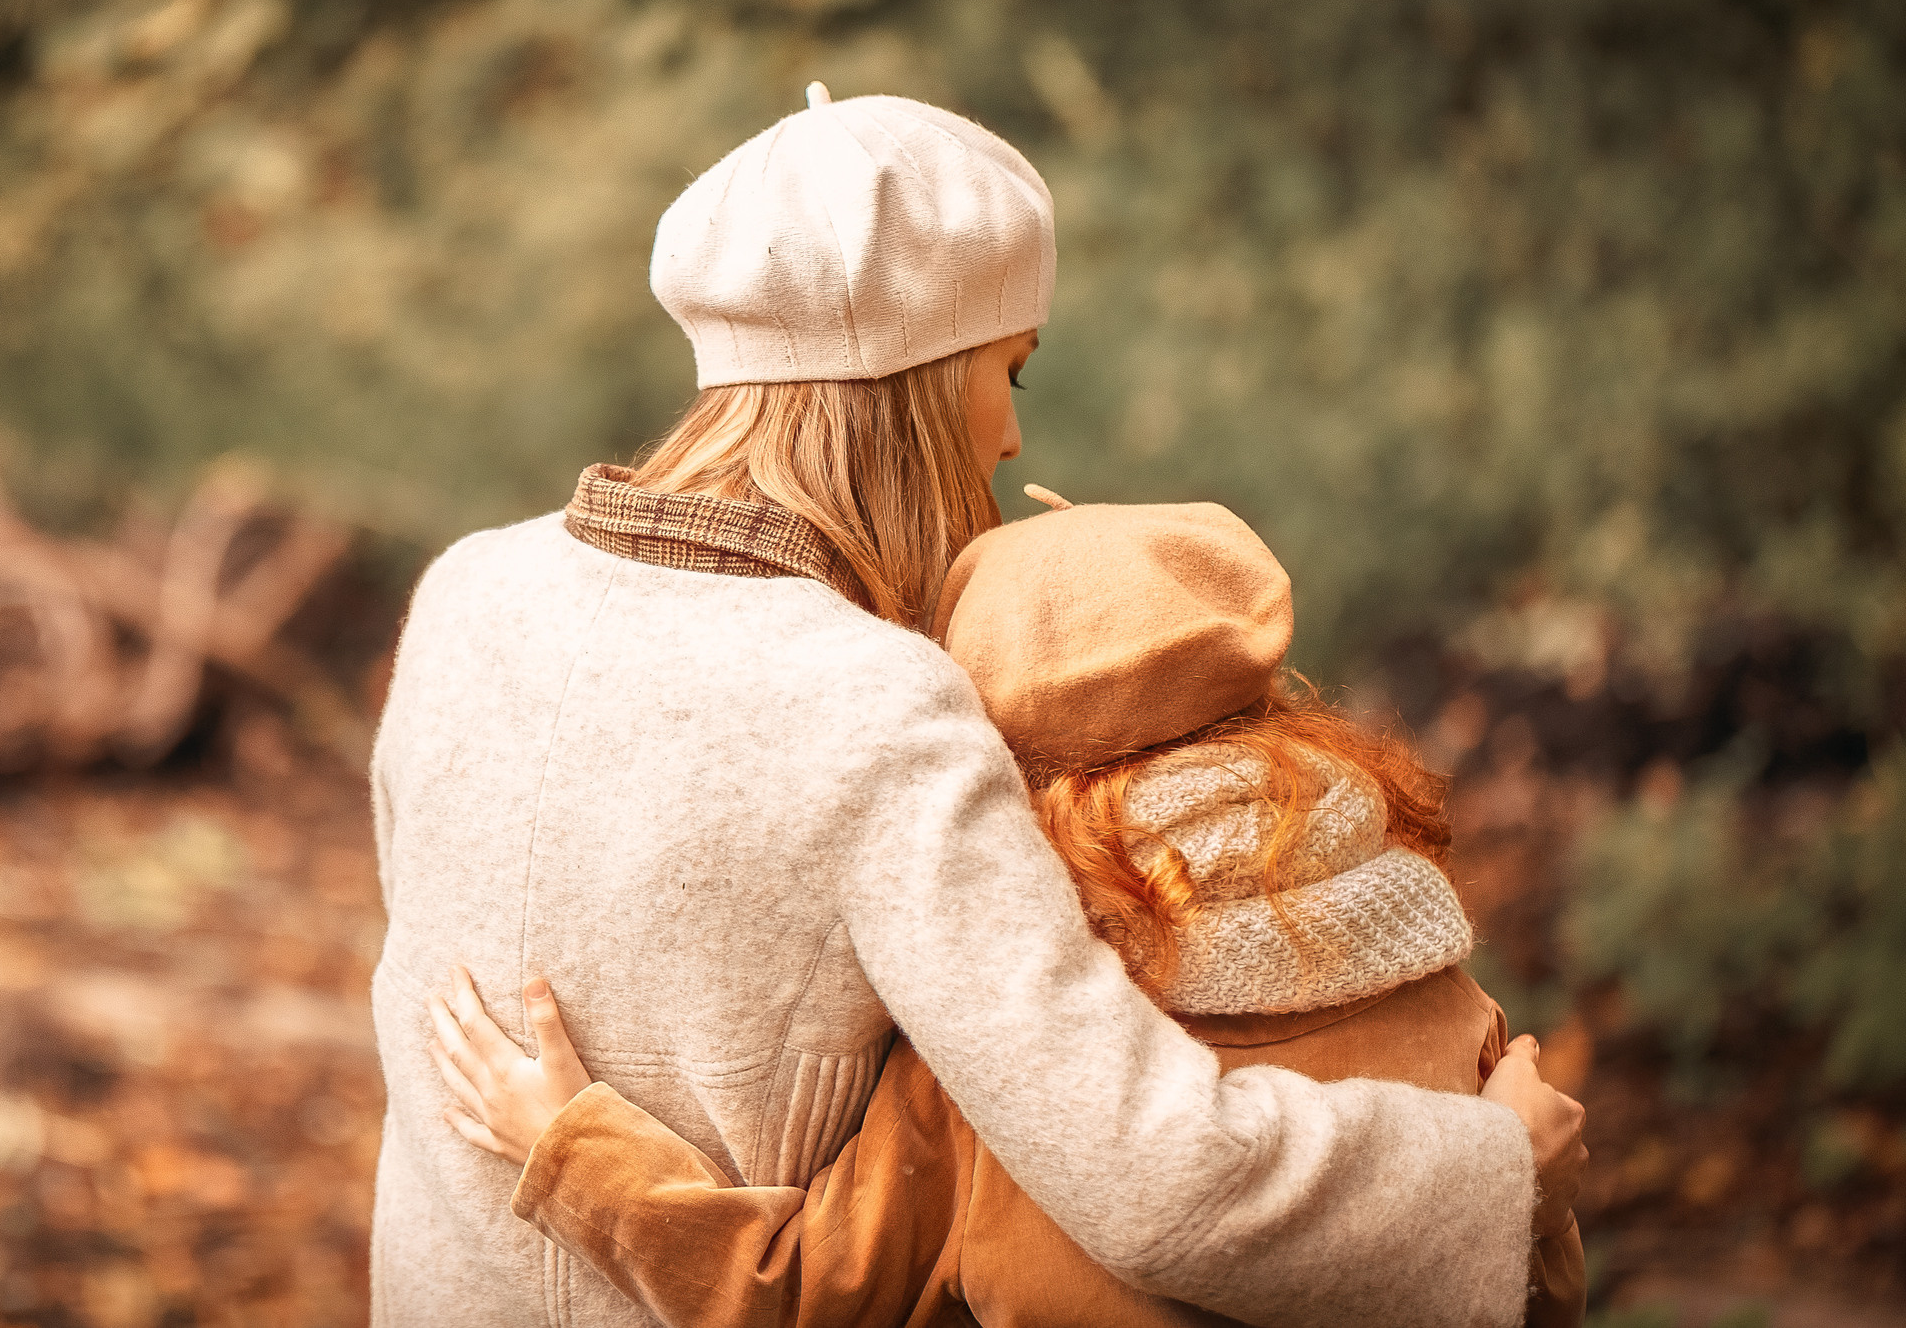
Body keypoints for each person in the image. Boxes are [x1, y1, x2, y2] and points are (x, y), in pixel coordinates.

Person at [369, 83, 1584, 1327]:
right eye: (1010, 367)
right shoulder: (879, 708)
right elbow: (1151, 1174)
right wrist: (1492, 1166)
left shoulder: (468, 591)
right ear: (926, 377)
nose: (1009, 437)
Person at [430, 500, 1589, 1326]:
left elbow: (791, 1292)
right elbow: (1524, 1291)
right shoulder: (1436, 985)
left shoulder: (1012, 1047)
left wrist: (576, 1148)